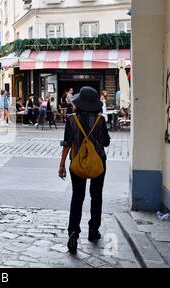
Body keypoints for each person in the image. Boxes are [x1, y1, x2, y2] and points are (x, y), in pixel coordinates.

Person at [59, 86, 111, 254]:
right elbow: (106, 143)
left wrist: (61, 165)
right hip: (98, 163)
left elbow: (67, 143)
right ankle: (93, 230)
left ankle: (73, 232)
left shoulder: (71, 120)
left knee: (77, 196)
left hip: (77, 163)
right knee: (96, 196)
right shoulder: (100, 120)